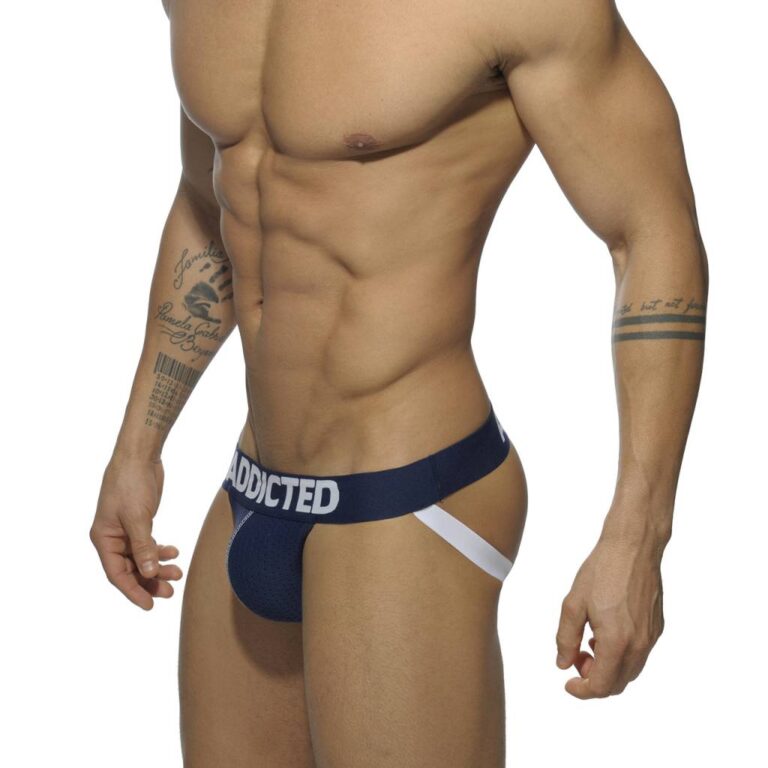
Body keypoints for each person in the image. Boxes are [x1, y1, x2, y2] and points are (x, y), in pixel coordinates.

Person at [90, 0, 708, 764]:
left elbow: (652, 231)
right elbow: (209, 199)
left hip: (411, 491)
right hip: (254, 483)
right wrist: (138, 446)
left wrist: (638, 536)